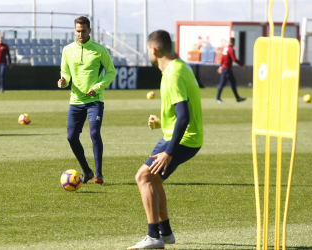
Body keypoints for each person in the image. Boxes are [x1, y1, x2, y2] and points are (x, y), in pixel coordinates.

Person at [128, 30, 203, 250]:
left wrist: (169, 152)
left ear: (153, 50)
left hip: (183, 139)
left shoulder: (173, 74)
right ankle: (166, 233)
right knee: (154, 180)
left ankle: (153, 237)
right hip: (185, 136)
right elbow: (182, 113)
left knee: (143, 177)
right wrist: (163, 122)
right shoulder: (180, 67)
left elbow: (185, 117)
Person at [57, 16, 116, 185]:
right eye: (77, 31)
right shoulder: (68, 50)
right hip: (75, 101)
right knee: (71, 137)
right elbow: (65, 72)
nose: (80, 34)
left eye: (83, 31)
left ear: (89, 30)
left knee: (94, 133)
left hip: (95, 100)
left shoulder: (99, 50)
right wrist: (63, 81)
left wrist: (97, 87)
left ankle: (98, 174)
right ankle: (87, 170)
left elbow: (111, 72)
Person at [216, 37, 247, 103]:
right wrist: (242, 65)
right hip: (226, 69)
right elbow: (234, 59)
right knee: (222, 83)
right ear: (233, 42)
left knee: (233, 83)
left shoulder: (225, 48)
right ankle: (218, 98)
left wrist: (220, 67)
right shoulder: (231, 49)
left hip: (226, 69)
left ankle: (237, 98)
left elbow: (222, 59)